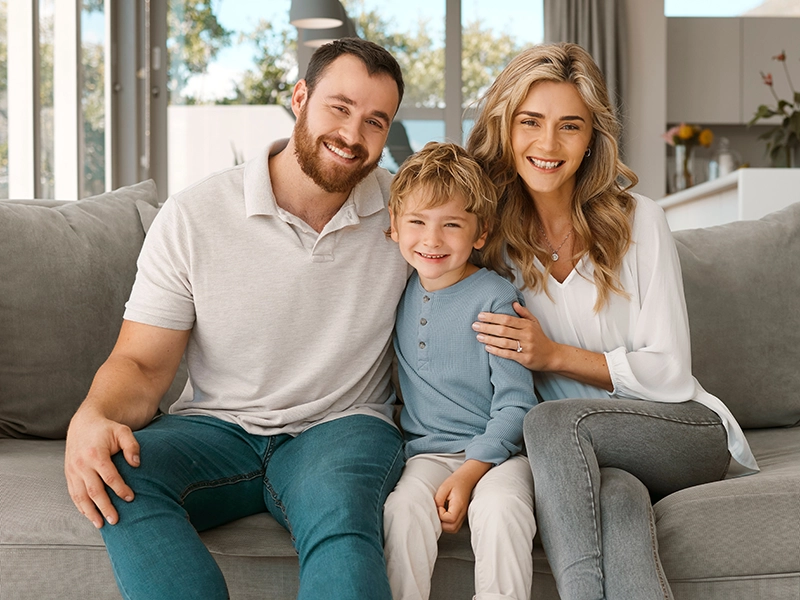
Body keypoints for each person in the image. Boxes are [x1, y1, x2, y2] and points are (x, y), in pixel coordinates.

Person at [64, 38, 410, 600]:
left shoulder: (409, 217)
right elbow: (142, 363)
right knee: (117, 475)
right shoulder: (195, 214)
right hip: (217, 428)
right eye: (339, 108)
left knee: (344, 520)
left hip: (343, 426)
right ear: (300, 98)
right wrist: (93, 415)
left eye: (375, 121)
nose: (353, 135)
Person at [465, 43, 759, 600]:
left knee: (550, 422)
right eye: (530, 122)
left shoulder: (640, 220)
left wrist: (552, 355)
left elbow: (671, 373)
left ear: (592, 138)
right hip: (591, 459)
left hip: (680, 430)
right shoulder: (489, 241)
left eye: (569, 126)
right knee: (618, 498)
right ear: (505, 127)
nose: (548, 145)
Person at [382, 142, 537, 600]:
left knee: (503, 509)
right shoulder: (397, 290)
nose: (432, 240)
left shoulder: (495, 297)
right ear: (393, 227)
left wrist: (470, 472)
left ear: (481, 233)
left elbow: (516, 403)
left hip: (500, 454)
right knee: (403, 510)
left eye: (451, 224)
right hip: (427, 455)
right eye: (417, 222)